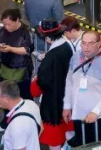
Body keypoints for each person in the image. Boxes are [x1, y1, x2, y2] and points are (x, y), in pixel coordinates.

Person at [63, 31, 101, 145]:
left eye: (91, 43)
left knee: (99, 146)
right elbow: (69, 82)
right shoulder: (76, 57)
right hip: (79, 113)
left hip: (100, 117)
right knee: (82, 145)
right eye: (83, 43)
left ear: (98, 44)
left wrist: (96, 112)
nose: (86, 47)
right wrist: (67, 106)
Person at [34, 18, 80, 150]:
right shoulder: (68, 45)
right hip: (68, 96)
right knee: (69, 132)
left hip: (53, 101)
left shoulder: (52, 55)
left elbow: (42, 81)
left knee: (54, 138)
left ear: (47, 38)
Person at [0, 80, 43, 150]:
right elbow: (41, 128)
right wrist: (31, 143)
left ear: (6, 99)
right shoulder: (32, 104)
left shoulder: (16, 126)